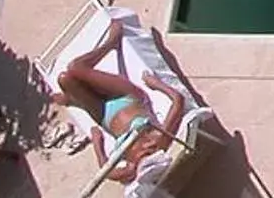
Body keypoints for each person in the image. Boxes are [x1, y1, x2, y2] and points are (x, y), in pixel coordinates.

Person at [51, 18, 182, 182]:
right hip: (126, 98)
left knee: (65, 79)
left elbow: (106, 173)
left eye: (144, 160)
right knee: (75, 68)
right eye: (150, 153)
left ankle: (75, 100)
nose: (146, 151)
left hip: (104, 116)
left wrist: (97, 144)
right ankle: (112, 42)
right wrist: (156, 84)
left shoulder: (131, 168)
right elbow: (178, 100)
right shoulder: (160, 140)